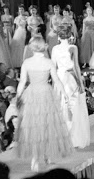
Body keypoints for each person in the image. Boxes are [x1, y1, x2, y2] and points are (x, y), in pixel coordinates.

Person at [17, 38, 73, 171]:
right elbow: (56, 80)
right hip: (45, 94)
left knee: (35, 126)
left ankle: (37, 158)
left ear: (31, 47)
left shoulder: (27, 62)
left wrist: (18, 96)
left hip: (32, 94)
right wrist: (64, 93)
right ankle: (43, 157)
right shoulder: (48, 62)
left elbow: (22, 81)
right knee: (47, 125)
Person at [52, 29, 90, 149]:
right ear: (69, 37)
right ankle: (72, 137)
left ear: (59, 37)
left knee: (62, 105)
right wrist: (81, 84)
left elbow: (53, 67)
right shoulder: (73, 47)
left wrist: (53, 82)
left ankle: (64, 138)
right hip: (70, 78)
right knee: (73, 106)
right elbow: (76, 66)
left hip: (60, 78)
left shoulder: (55, 49)